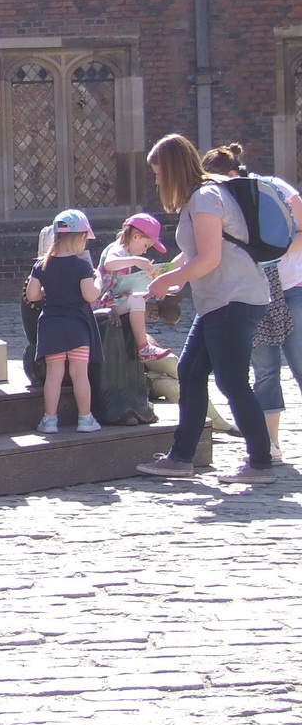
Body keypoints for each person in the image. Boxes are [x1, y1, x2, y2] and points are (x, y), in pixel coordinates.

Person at [137, 133, 275, 484]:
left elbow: (210, 258)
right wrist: (167, 273)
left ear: (173, 169)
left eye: (159, 174)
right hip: (220, 302)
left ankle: (261, 463)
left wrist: (168, 281)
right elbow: (196, 253)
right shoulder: (202, 197)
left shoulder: (205, 198)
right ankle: (181, 457)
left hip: (233, 300)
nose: (157, 181)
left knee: (232, 382)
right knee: (190, 373)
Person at [201, 143, 302, 462]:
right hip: (255, 293)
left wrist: (269, 252)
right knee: (265, 370)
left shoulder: (275, 188)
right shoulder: (221, 201)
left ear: (231, 173)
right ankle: (271, 444)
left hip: (292, 288)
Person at [25, 209, 104, 434]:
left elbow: (32, 295)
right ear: (80, 237)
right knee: (80, 374)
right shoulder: (82, 266)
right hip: (77, 326)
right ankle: (85, 419)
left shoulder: (41, 265)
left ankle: (49, 420)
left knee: (54, 374)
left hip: (51, 325)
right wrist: (98, 281)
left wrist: (49, 292)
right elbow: (89, 295)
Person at [95, 214, 171, 362]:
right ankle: (144, 348)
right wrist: (135, 260)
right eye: (146, 246)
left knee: (138, 298)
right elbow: (109, 264)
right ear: (136, 237)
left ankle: (142, 345)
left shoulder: (126, 253)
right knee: (136, 300)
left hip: (113, 300)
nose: (145, 251)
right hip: (103, 302)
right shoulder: (117, 249)